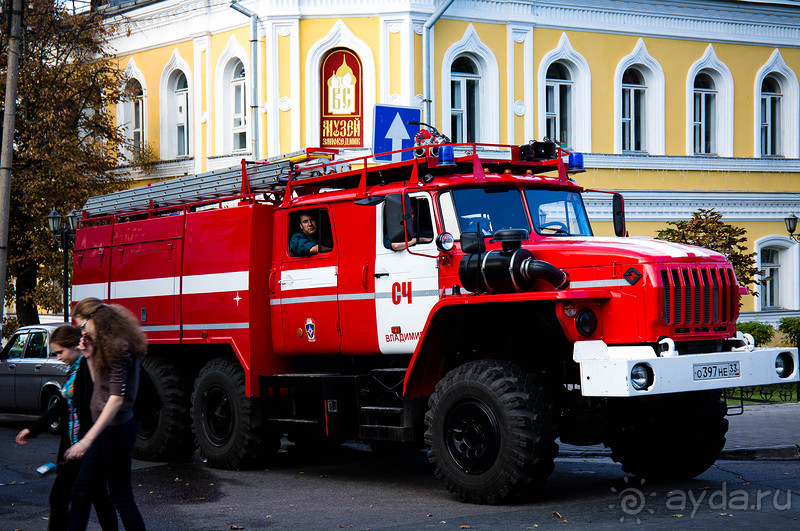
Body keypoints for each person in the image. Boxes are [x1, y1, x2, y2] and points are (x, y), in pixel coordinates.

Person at [15, 325, 118, 531]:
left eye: (60, 352)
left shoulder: (86, 371)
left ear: (75, 346)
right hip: (78, 445)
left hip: (86, 447)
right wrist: (33, 429)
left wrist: (84, 444)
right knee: (97, 497)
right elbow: (62, 407)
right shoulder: (74, 370)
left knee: (63, 496)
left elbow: (93, 412)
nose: (58, 357)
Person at [66, 298, 148, 531]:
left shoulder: (117, 347)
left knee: (118, 496)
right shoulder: (106, 346)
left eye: (82, 325)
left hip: (115, 430)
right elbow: (101, 389)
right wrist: (90, 357)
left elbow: (115, 399)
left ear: (95, 319)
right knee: (85, 491)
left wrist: (85, 441)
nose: (82, 331)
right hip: (106, 429)